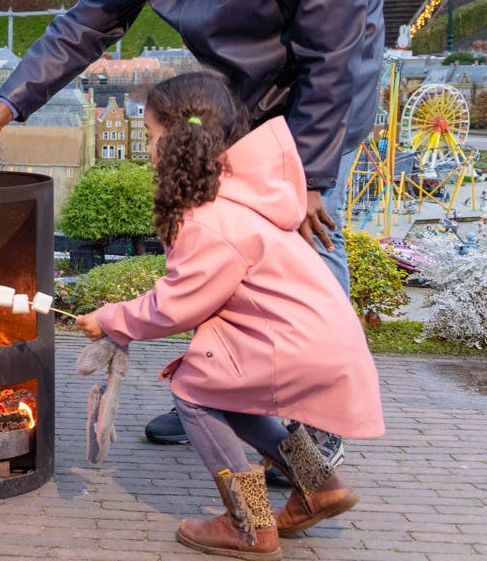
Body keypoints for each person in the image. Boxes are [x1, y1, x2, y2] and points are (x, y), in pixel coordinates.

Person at [0, 0, 383, 448]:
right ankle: (221, 391)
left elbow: (335, 55)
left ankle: (315, 426)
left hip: (322, 100)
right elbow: (85, 24)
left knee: (302, 248)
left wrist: (312, 176)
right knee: (211, 247)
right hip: (236, 104)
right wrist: (6, 105)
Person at [75, 72, 383, 560]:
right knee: (228, 398)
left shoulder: (208, 220)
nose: (149, 148)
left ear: (174, 143)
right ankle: (319, 485)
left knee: (192, 393)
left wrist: (111, 319)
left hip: (294, 342)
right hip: (316, 335)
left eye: (152, 135)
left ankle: (249, 524)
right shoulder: (242, 194)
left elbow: (177, 304)